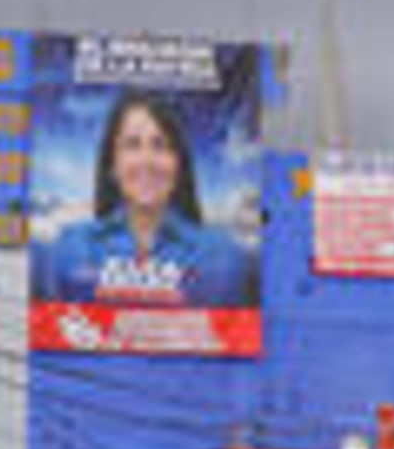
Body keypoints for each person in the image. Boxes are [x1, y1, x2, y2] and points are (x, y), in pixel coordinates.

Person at [41, 92, 251, 309]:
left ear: (179, 165)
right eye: (132, 145)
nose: (146, 160)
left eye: (160, 145)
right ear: (112, 165)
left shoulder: (223, 253)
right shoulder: (70, 247)